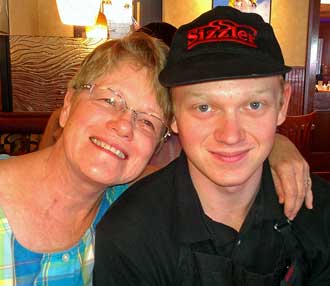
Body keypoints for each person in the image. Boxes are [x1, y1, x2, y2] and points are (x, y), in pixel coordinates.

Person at [94, 7, 330, 285]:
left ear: (282, 105)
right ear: (173, 115)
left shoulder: (319, 213)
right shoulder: (130, 235)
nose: (231, 135)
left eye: (254, 105)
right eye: (204, 107)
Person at [0, 32, 171, 285]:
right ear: (68, 105)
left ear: (156, 147)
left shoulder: (130, 215)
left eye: (147, 121)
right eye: (110, 100)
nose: (124, 126)